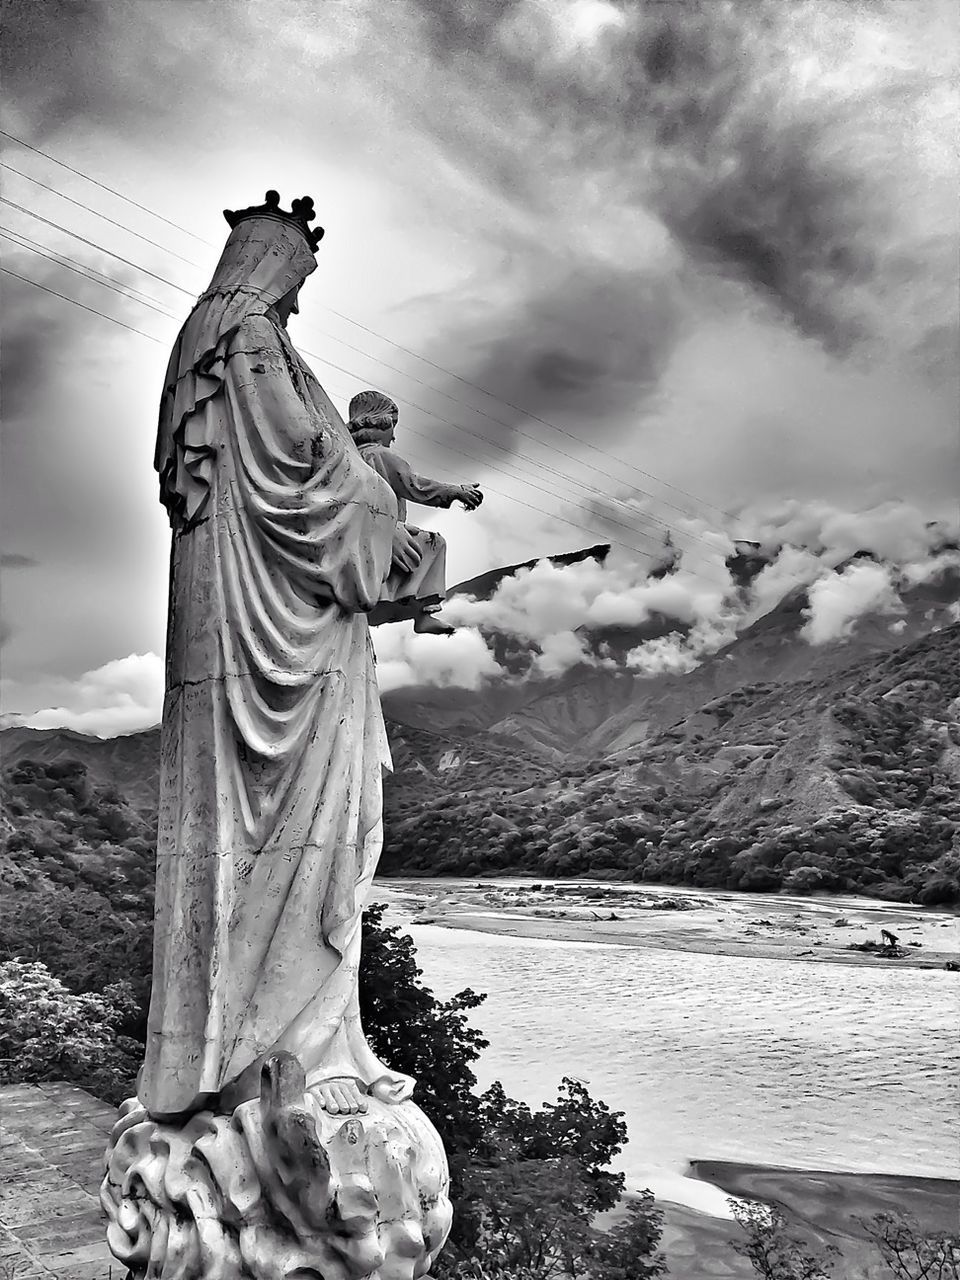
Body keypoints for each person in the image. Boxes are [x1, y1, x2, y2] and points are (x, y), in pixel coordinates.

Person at [144, 192, 419, 1121]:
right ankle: (294, 1048)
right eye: (299, 274)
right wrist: (387, 520)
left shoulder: (219, 340)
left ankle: (304, 1038)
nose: (300, 297)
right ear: (272, 260)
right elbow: (307, 468)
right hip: (284, 648)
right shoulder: (247, 340)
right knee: (320, 838)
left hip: (256, 622)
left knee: (313, 844)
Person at [347, 389, 483, 635]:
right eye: (393, 425)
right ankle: (425, 612)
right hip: (382, 531)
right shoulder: (381, 455)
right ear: (380, 421)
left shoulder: (351, 457)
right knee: (434, 544)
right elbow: (416, 486)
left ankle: (401, 602)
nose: (394, 435)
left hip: (364, 532)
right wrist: (455, 491)